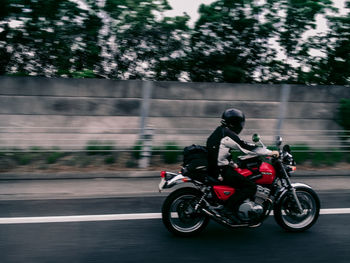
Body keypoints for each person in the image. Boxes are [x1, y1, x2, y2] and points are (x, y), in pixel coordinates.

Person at [206, 108, 278, 222]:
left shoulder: (221, 131)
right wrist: (269, 152)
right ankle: (228, 210)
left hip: (216, 167)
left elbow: (220, 152)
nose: (241, 125)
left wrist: (232, 164)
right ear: (234, 122)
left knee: (241, 176)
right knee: (250, 186)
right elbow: (245, 146)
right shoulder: (227, 134)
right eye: (240, 123)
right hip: (220, 171)